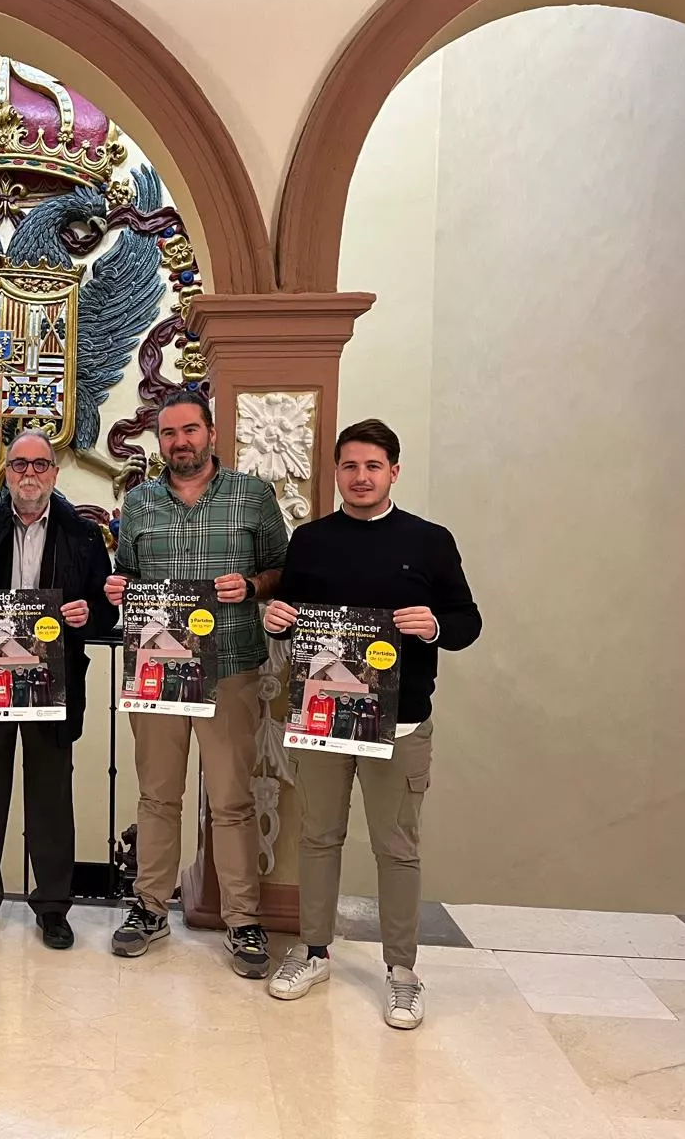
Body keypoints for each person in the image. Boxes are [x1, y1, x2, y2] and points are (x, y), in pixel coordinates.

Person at [263, 418, 481, 1029]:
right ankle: (312, 952)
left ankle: (402, 972)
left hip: (402, 723)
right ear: (336, 472)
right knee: (317, 837)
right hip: (323, 718)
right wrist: (276, 618)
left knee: (397, 849)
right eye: (350, 466)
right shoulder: (310, 541)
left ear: (394, 472)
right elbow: (292, 616)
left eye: (373, 466)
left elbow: (467, 622)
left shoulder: (430, 541)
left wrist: (434, 626)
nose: (361, 477)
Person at [105, 389, 289, 975]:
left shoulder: (253, 495)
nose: (179, 441)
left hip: (230, 666)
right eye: (168, 433)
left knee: (231, 800)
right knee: (158, 795)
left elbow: (282, 570)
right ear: (158, 441)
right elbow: (127, 576)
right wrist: (117, 588)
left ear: (210, 433)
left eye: (189, 430)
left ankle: (243, 920)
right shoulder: (139, 502)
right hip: (157, 668)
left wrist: (254, 587)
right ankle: (150, 907)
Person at [0, 429, 116, 950]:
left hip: (53, 683)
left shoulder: (83, 535)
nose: (30, 474)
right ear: (6, 473)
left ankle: (53, 907)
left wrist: (89, 614)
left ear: (55, 474)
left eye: (40, 464)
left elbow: (104, 611)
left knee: (51, 796)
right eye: (19, 465)